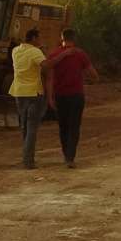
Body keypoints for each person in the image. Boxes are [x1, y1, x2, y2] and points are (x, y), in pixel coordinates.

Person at [42, 28, 99, 168]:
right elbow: (93, 74)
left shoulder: (54, 54)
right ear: (74, 38)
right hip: (76, 95)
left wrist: (49, 97)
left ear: (62, 38)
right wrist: (92, 79)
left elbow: (49, 78)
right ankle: (70, 157)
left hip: (60, 96)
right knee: (74, 126)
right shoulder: (81, 54)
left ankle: (65, 154)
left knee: (63, 127)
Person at [9, 28, 51, 169]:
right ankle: (28, 161)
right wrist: (45, 53)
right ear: (33, 38)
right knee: (32, 127)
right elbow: (45, 66)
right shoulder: (35, 52)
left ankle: (26, 157)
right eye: (39, 37)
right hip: (34, 92)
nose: (40, 40)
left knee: (25, 127)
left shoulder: (15, 51)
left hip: (19, 91)